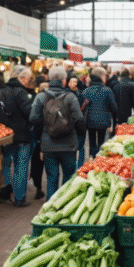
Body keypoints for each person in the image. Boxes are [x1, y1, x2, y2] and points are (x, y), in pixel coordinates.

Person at [30, 66, 87, 198]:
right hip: (69, 144)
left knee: (51, 178)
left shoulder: (41, 97)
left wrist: (46, 125)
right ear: (64, 81)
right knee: (68, 176)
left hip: (48, 144)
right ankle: (64, 204)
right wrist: (78, 135)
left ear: (49, 79)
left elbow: (33, 118)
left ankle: (51, 208)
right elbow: (79, 119)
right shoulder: (70, 97)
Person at [0, 66, 35, 207]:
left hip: (5, 134)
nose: (28, 82)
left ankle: (6, 191)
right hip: (21, 134)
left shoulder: (2, 91)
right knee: (21, 166)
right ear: (21, 78)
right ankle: (19, 197)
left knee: (6, 164)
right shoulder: (21, 92)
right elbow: (29, 113)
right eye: (28, 79)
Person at [82, 67, 118, 158]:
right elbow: (114, 107)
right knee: (102, 141)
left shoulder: (86, 91)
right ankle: (100, 159)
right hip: (103, 120)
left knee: (92, 140)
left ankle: (93, 158)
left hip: (89, 120)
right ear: (101, 77)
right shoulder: (107, 90)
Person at [29, 74, 48, 199]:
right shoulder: (59, 97)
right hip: (52, 134)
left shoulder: (36, 98)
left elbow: (33, 118)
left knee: (37, 162)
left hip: (37, 134)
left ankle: (38, 186)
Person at [67, 76, 88, 169]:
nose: (74, 83)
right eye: (72, 81)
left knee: (80, 145)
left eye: (75, 81)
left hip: (79, 122)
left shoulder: (81, 94)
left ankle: (79, 165)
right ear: (68, 83)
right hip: (70, 123)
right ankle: (72, 164)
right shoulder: (66, 94)